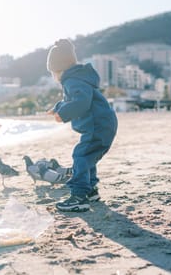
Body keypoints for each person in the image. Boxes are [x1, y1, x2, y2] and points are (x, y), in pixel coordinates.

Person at [46, 39, 118, 212]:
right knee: (88, 157)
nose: (54, 77)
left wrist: (62, 115)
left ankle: (79, 196)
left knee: (80, 156)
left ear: (59, 69)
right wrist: (57, 108)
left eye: (53, 73)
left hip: (97, 126)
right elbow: (72, 99)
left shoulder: (73, 81)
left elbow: (81, 101)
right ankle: (91, 191)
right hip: (103, 124)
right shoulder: (79, 78)